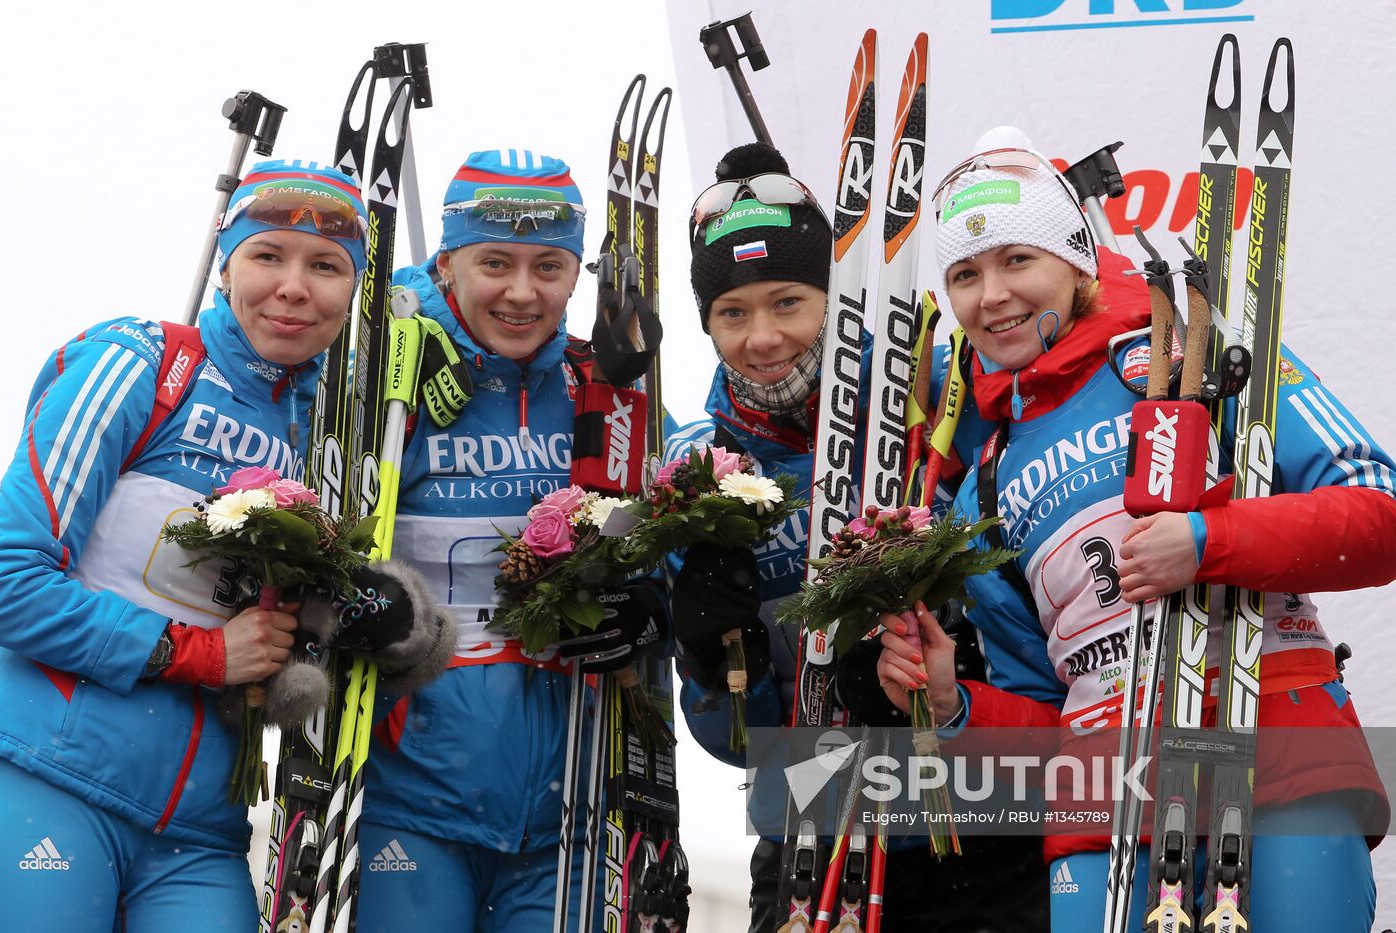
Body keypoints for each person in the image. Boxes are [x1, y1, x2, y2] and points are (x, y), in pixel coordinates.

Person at [876, 127, 1396, 932]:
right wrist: (955, 706)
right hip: (1103, 801)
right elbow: (1047, 717)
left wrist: (1205, 542)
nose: (992, 295)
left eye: (1019, 259)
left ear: (1079, 260)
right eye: (965, 274)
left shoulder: (1194, 351)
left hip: (1274, 744)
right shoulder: (985, 469)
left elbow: (1378, 510)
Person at [667, 141, 1050, 933]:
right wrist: (716, 665)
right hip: (814, 836)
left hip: (980, 823)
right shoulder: (702, 474)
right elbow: (741, 748)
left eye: (787, 302)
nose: (762, 337)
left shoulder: (943, 400)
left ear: (836, 302)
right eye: (731, 313)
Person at [0, 160, 368, 930]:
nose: (295, 287)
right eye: (269, 255)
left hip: (201, 830)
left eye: (327, 266)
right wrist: (198, 654)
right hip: (48, 775)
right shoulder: (141, 363)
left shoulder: (335, 433)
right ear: (226, 264)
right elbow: (9, 577)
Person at [356, 149, 668, 933]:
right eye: (495, 262)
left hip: (571, 807)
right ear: (450, 259)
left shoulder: (602, 387)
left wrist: (645, 608)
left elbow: (649, 552)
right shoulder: (397, 377)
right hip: (414, 800)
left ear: (578, 273)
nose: (523, 293)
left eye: (549, 265)